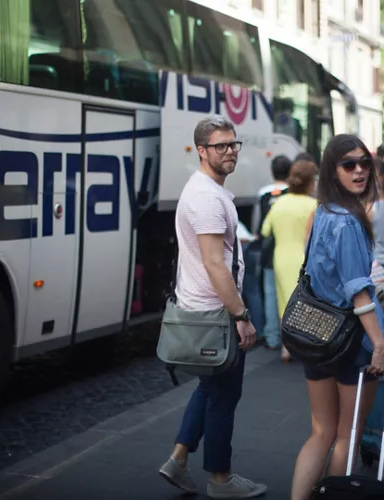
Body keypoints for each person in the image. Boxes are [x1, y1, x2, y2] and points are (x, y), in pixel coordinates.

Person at [158, 116, 267, 499]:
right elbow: (215, 264)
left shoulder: (209, 190)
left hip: (209, 307)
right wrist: (241, 316)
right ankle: (221, 478)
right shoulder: (206, 197)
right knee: (224, 395)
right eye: (220, 146)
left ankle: (178, 459)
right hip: (215, 313)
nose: (230, 151)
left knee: (210, 387)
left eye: (234, 144)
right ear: (201, 151)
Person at [289, 134, 384, 500]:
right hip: (353, 340)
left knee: (321, 432)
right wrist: (379, 343)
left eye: (365, 162)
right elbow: (358, 292)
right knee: (347, 433)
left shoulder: (323, 212)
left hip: (317, 334)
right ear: (333, 171)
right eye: (349, 164)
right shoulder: (347, 221)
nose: (360, 170)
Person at [260, 159, 319, 362]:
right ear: (310, 183)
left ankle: (287, 347)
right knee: (309, 301)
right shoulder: (313, 205)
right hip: (305, 257)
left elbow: (265, 230)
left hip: (281, 257)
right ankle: (308, 344)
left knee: (284, 301)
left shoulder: (279, 204)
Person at [250, 155, 292, 350]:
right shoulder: (292, 194)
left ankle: (272, 336)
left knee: (269, 293)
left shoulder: (264, 193)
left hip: (268, 251)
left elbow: (257, 224)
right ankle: (290, 338)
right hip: (290, 250)